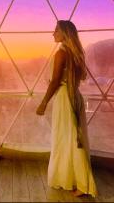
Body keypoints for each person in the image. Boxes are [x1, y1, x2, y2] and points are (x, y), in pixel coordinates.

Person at [36, 20, 97, 197]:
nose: (53, 33)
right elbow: (74, 77)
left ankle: (84, 184)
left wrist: (44, 102)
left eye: (56, 30)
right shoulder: (75, 53)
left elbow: (55, 81)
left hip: (64, 98)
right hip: (74, 96)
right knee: (72, 139)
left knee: (69, 139)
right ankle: (71, 179)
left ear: (64, 33)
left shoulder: (61, 53)